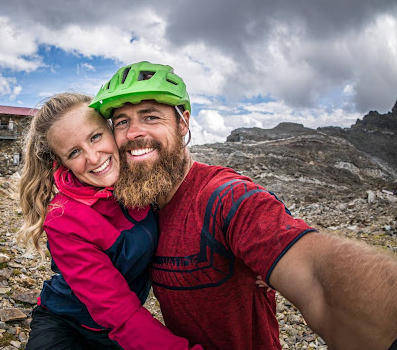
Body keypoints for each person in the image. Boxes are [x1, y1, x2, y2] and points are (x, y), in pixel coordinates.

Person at [91, 61, 397, 350]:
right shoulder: (138, 203)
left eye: (151, 117)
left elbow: (317, 276)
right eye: (122, 122)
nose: (133, 133)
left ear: (183, 122)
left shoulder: (224, 197)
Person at [17, 93, 200, 350]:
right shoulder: (63, 218)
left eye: (95, 137)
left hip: (123, 324)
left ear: (111, 129)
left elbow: (196, 194)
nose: (93, 158)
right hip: (65, 319)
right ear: (61, 162)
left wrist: (245, 250)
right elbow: (117, 309)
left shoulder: (146, 179)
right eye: (74, 152)